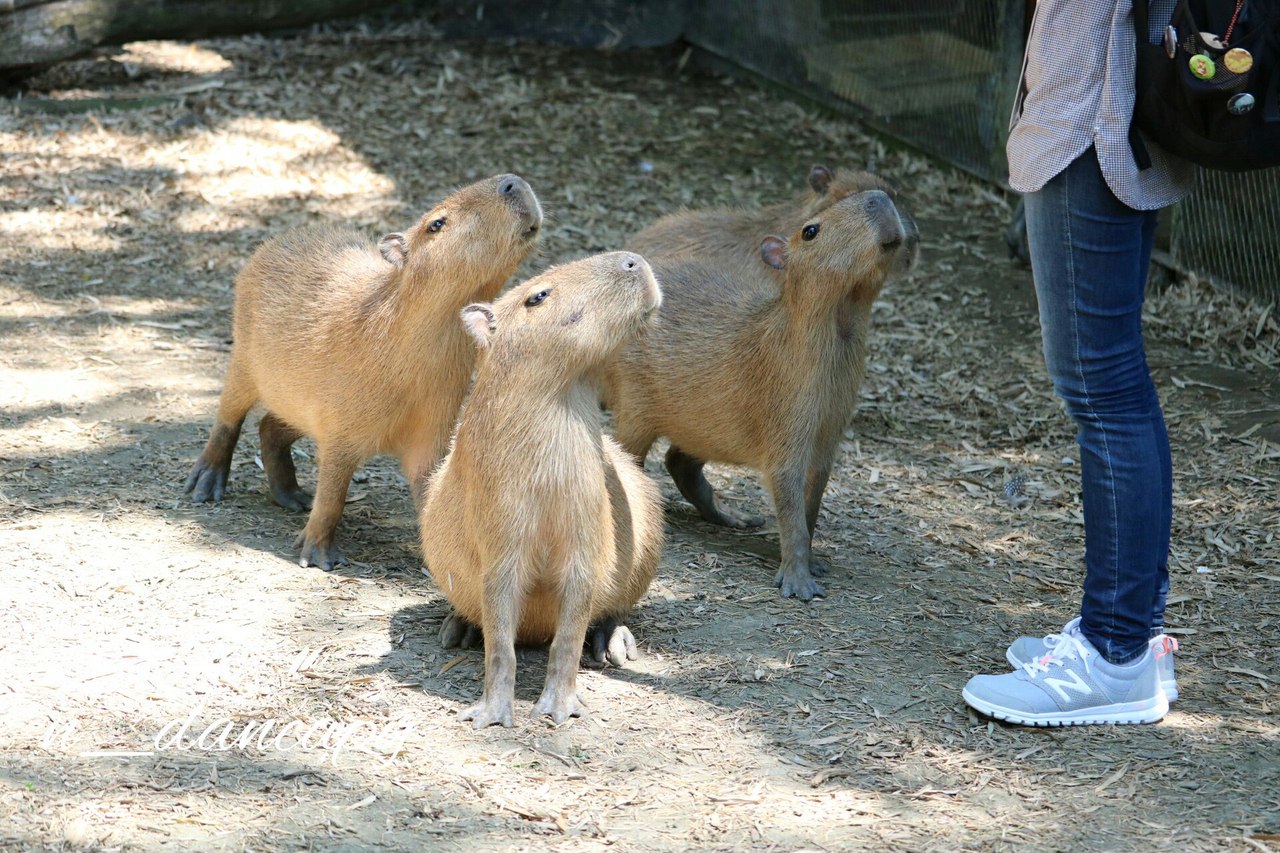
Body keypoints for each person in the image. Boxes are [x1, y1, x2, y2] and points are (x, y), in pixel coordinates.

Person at [961, 0, 1196, 726]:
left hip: (1089, 122)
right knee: (1114, 386)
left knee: (1103, 388)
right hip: (1104, 115)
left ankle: (1114, 654)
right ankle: (1131, 640)